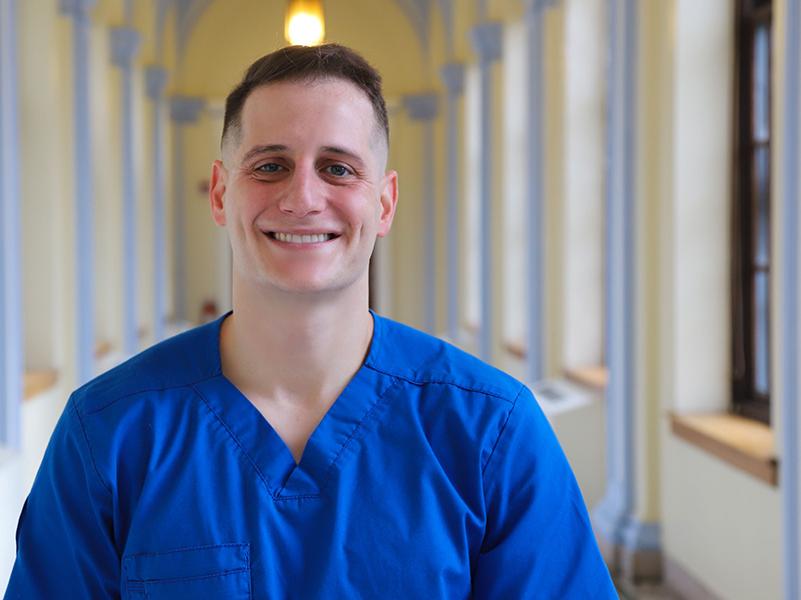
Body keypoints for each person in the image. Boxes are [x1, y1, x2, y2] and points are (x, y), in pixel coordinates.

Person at [6, 44, 617, 598]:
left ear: (384, 203)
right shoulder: (110, 433)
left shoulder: (491, 431)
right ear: (221, 194)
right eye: (270, 165)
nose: (302, 197)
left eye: (339, 168)